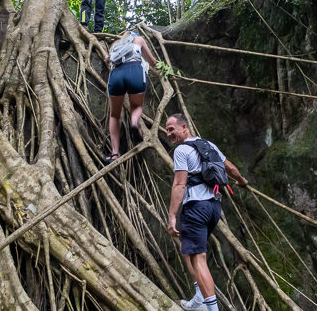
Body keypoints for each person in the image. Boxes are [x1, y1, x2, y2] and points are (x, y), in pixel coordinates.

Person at [165, 113, 248, 311]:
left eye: (171, 129)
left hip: (195, 207)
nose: (168, 134)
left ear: (185, 127)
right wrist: (241, 180)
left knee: (198, 258)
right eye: (167, 130)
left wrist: (172, 215)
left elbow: (179, 184)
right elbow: (229, 167)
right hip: (213, 208)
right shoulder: (208, 145)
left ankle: (209, 308)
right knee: (186, 247)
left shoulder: (182, 150)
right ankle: (200, 298)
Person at [104, 31, 158, 163]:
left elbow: (107, 59)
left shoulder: (116, 44)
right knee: (137, 106)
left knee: (114, 115)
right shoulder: (139, 39)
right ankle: (134, 123)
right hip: (135, 71)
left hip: (116, 74)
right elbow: (152, 61)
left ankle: (114, 153)